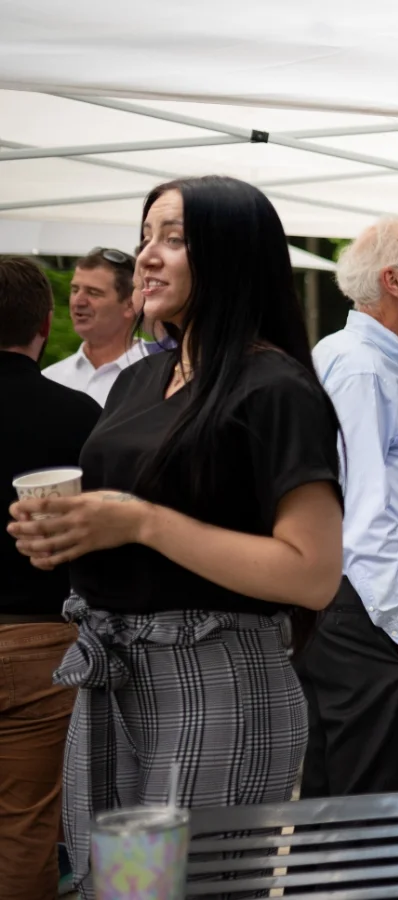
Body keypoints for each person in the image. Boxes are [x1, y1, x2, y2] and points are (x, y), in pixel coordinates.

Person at [7, 176, 343, 898]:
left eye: (174, 238)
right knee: (122, 891)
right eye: (145, 236)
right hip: (114, 675)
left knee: (186, 894)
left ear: (231, 254)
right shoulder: (140, 381)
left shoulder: (274, 388)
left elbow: (311, 574)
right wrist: (72, 535)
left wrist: (140, 521)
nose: (147, 257)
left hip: (217, 680)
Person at [298, 217, 398, 798]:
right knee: (369, 810)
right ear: (393, 281)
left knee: (347, 801)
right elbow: (358, 513)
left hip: (367, 610)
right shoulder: (361, 366)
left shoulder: (373, 360)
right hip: (370, 614)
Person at [0, 258, 98, 900]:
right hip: (41, 640)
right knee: (28, 830)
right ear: (45, 324)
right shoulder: (79, 416)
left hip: (40, 643)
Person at [40, 248, 148, 405]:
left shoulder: (159, 374)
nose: (78, 301)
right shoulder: (50, 378)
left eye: (93, 293)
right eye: (75, 290)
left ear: (130, 305)